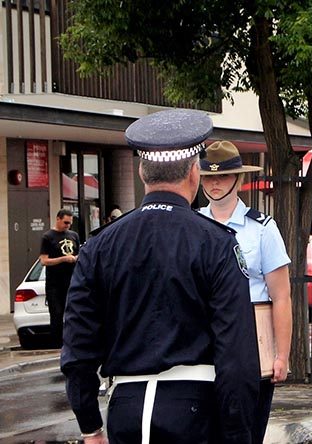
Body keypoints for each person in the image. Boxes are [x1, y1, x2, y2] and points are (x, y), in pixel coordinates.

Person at [61, 109, 260, 444]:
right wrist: (239, 432)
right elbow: (236, 356)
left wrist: (90, 424)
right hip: (195, 409)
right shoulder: (216, 243)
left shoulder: (100, 246)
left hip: (126, 409)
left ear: (142, 171)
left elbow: (78, 347)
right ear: (194, 172)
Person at [198, 140, 292, 443]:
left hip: (251, 342)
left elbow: (281, 296)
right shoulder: (193, 223)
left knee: (245, 431)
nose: (214, 184)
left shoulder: (262, 228)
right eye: (208, 177)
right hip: (201, 344)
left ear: (238, 179)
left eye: (222, 176)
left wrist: (282, 355)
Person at [39, 208, 80, 348]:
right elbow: (44, 261)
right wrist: (63, 259)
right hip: (55, 283)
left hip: (72, 281)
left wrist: (75, 258)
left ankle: (73, 343)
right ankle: (57, 344)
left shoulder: (73, 235)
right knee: (56, 315)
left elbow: (79, 255)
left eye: (70, 223)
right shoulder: (48, 237)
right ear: (58, 219)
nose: (67, 226)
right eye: (65, 222)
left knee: (74, 313)